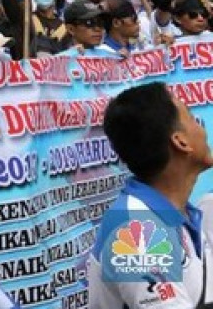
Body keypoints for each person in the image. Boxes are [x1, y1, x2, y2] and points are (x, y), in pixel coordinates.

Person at [86, 83, 212, 308]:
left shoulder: (182, 215)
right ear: (180, 142)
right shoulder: (136, 230)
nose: (203, 130)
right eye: (193, 119)